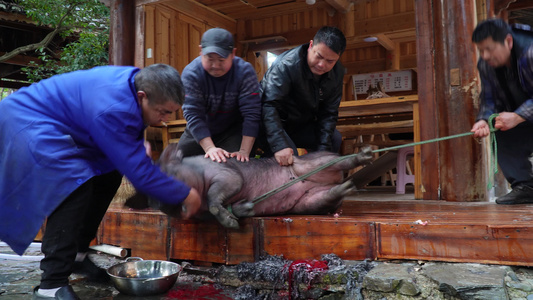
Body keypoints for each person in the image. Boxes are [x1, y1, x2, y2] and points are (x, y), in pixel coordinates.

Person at [0, 63, 202, 300]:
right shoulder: (113, 107)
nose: (164, 119)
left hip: (64, 127)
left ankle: (76, 255)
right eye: (162, 112)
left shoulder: (140, 82)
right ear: (142, 97)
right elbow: (141, 175)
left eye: (170, 113)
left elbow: (127, 139)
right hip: (26, 121)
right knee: (74, 182)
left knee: (109, 173)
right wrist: (186, 193)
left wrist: (136, 143)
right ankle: (51, 285)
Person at [260, 26, 347, 166]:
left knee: (334, 139)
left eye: (330, 61)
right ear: (311, 45)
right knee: (289, 156)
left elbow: (329, 114)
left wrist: (322, 155)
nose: (321, 65)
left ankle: (315, 181)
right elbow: (269, 106)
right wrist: (279, 144)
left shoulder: (337, 73)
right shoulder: (285, 65)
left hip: (300, 125)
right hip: (272, 125)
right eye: (319, 56)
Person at [471, 19, 533, 204]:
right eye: (481, 50)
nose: (485, 55)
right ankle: (525, 187)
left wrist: (518, 116)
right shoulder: (485, 65)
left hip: (524, 114)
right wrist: (483, 120)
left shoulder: (531, 52)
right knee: (499, 125)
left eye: (489, 49)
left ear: (508, 41)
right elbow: (489, 98)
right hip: (521, 117)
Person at [177, 27, 262, 163]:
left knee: (234, 165)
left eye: (221, 60)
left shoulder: (244, 72)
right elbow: (193, 114)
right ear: (200, 52)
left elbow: (252, 114)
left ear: (233, 54)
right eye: (209, 59)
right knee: (178, 161)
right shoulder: (191, 73)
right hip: (201, 127)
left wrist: (244, 152)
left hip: (232, 130)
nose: (215, 65)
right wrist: (210, 148)